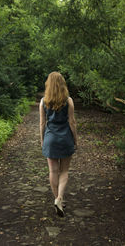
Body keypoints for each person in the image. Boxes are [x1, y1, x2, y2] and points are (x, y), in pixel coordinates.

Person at [39, 71, 78, 217]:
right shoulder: (68, 101)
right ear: (62, 84)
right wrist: (75, 139)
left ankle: (57, 199)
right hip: (65, 137)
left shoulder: (43, 101)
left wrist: (43, 140)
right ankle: (60, 198)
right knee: (64, 171)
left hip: (50, 138)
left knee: (53, 171)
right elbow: (72, 122)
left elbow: (42, 123)